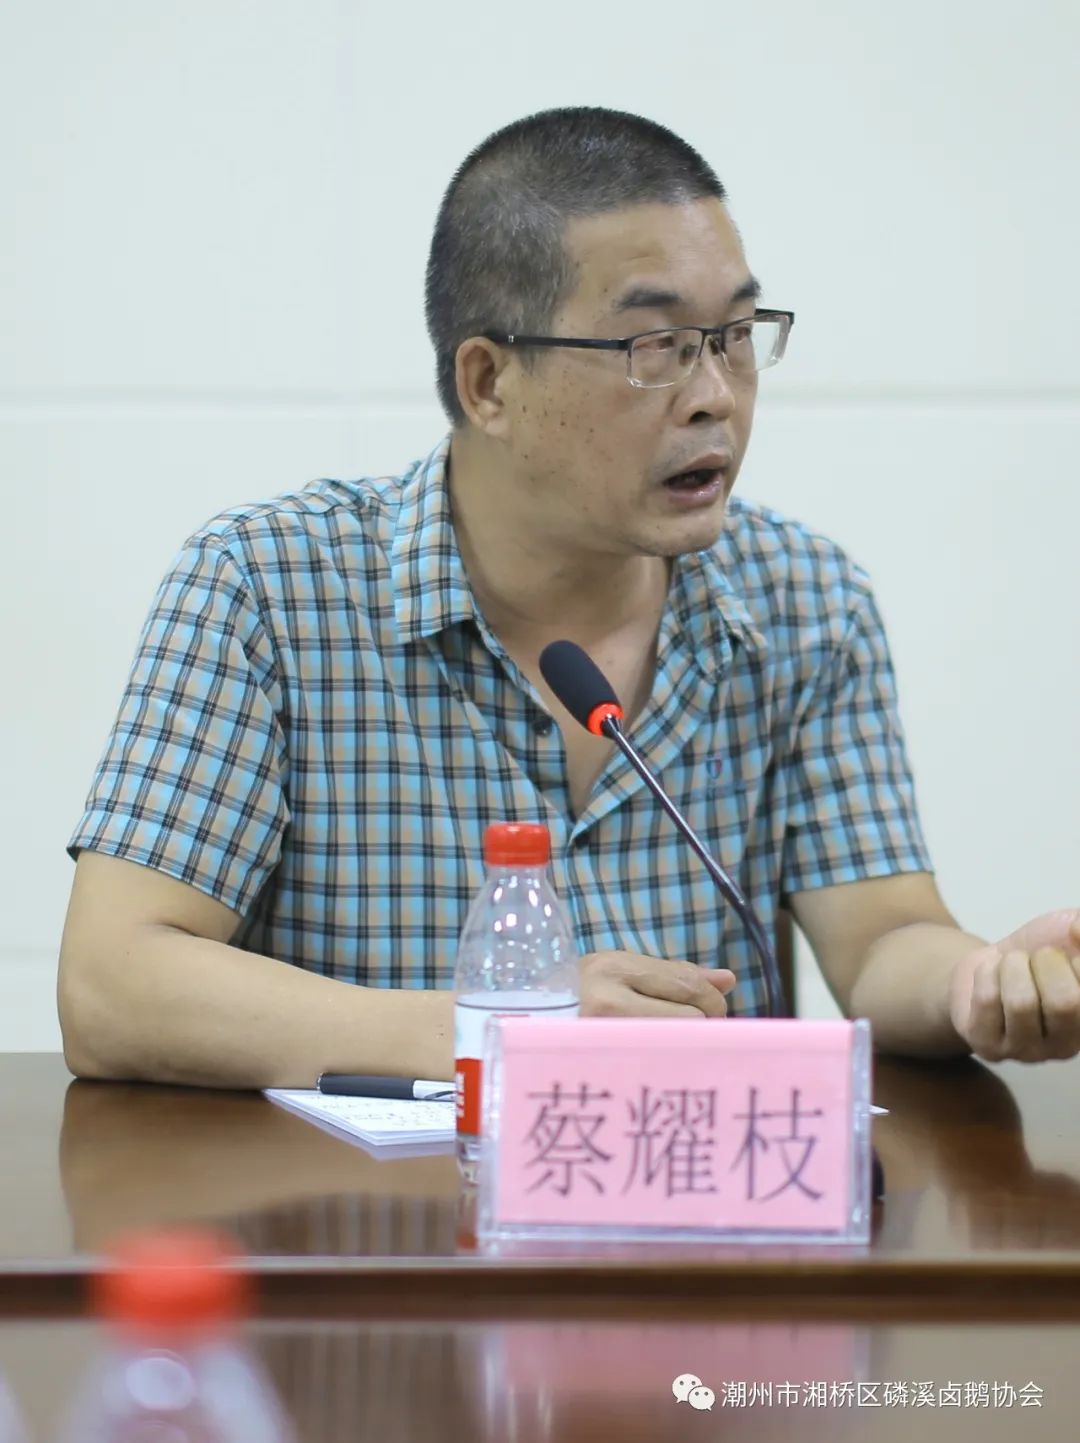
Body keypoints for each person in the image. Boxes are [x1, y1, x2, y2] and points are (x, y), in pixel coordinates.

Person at [58, 106, 1080, 1089]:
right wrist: (504, 1030)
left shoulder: (806, 600)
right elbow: (114, 985)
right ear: (488, 384)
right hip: (372, 1205)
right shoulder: (270, 588)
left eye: (734, 335)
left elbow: (883, 939)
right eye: (654, 347)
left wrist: (978, 983)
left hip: (689, 1197)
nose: (715, 396)